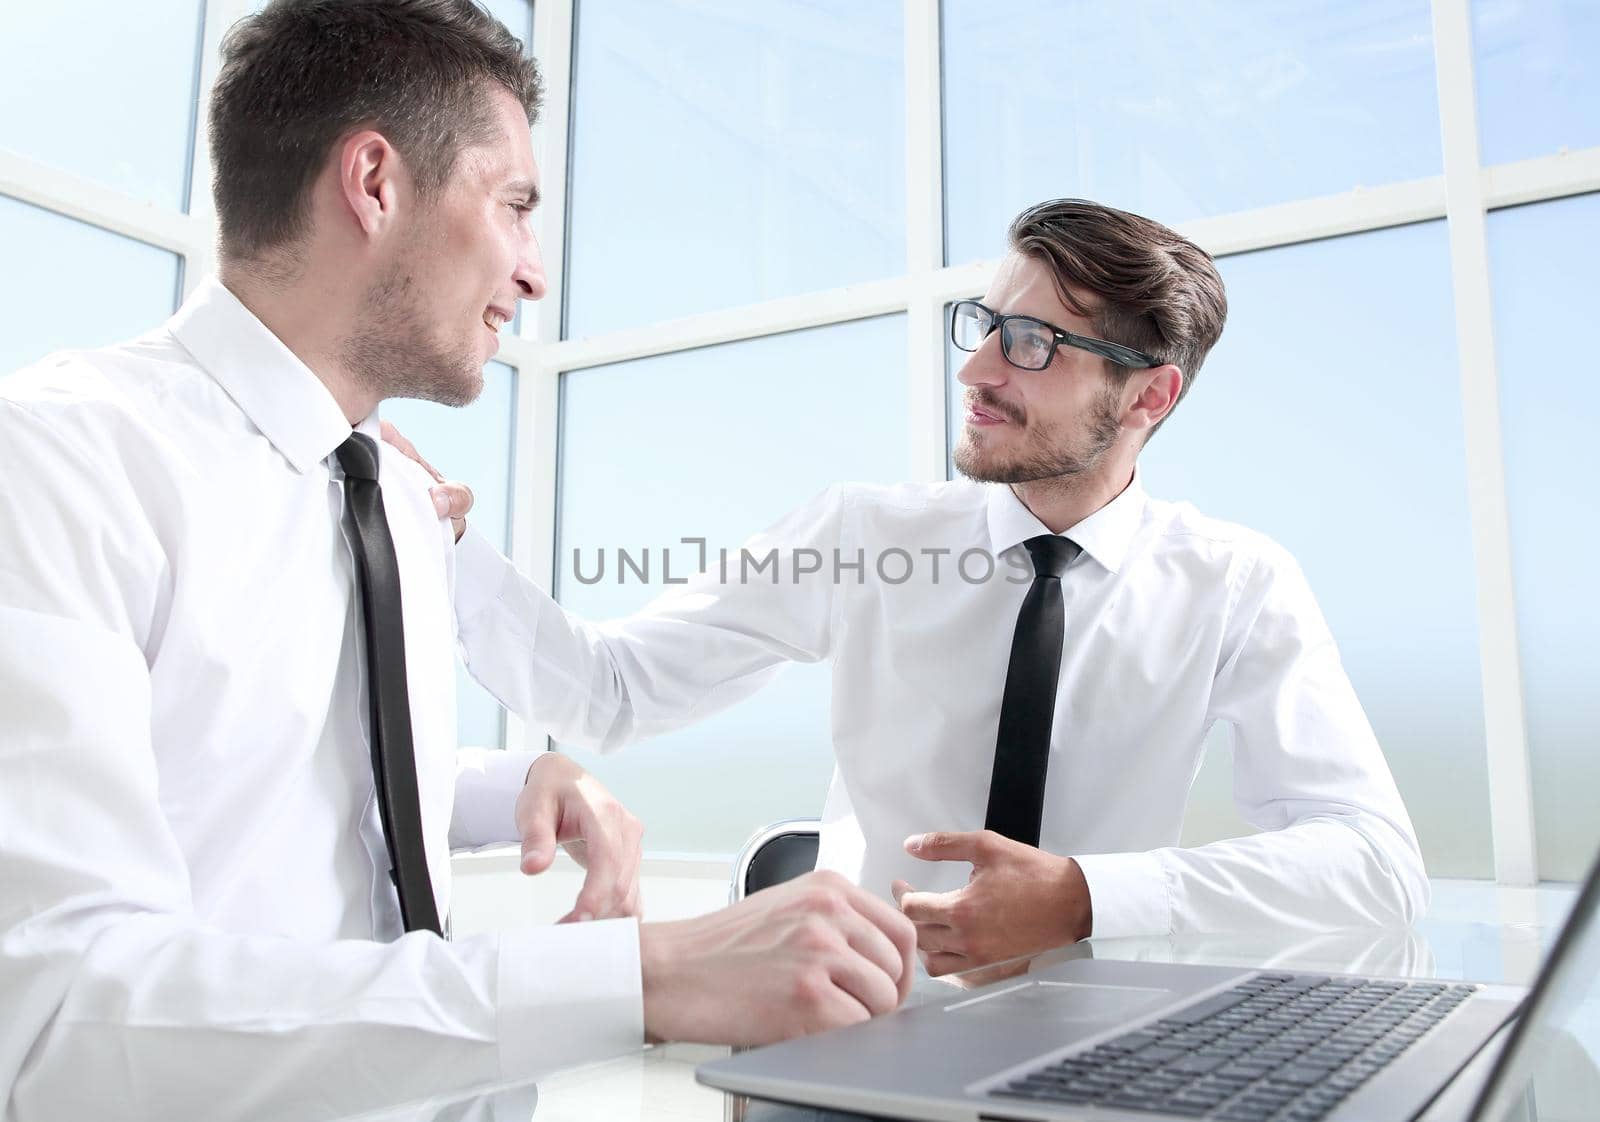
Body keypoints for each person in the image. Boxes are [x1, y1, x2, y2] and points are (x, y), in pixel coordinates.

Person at [0, 2, 915, 1119]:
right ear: (376, 185)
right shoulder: (52, 464)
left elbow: (279, 765)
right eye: (516, 207)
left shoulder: (390, 492)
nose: (533, 276)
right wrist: (649, 974)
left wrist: (507, 786)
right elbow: (55, 1016)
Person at [413, 197, 1430, 979]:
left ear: (1148, 394)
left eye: (1031, 344)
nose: (977, 370)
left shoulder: (1234, 584)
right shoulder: (863, 535)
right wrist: (453, 549)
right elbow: (610, 691)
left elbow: (1376, 866)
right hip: (859, 1021)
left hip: (1095, 1049)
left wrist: (1084, 896)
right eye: (985, 326)